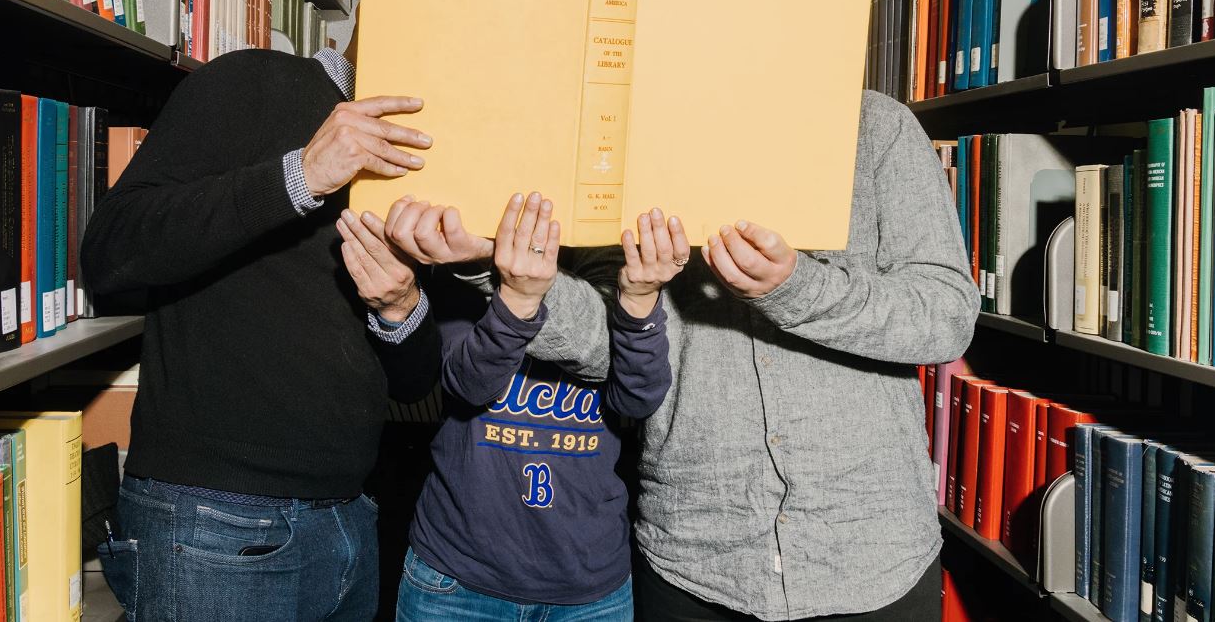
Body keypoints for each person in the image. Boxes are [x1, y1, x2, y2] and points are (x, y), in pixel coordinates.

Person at [386, 90, 979, 621]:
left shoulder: (875, 127)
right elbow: (609, 346)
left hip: (871, 559)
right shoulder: (623, 142)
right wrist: (490, 265)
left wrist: (794, 286)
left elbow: (946, 319)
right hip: (693, 558)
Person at [80, 36, 440, 622]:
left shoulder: (432, 137)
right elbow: (111, 252)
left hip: (352, 517)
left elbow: (415, 381)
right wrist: (300, 175)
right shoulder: (248, 81)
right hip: (210, 522)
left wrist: (401, 305)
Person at [340, 193, 682, 621]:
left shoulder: (615, 265)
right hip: (457, 581)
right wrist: (516, 301)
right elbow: (467, 386)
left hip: (588, 586)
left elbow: (639, 397)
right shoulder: (462, 259)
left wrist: (640, 300)